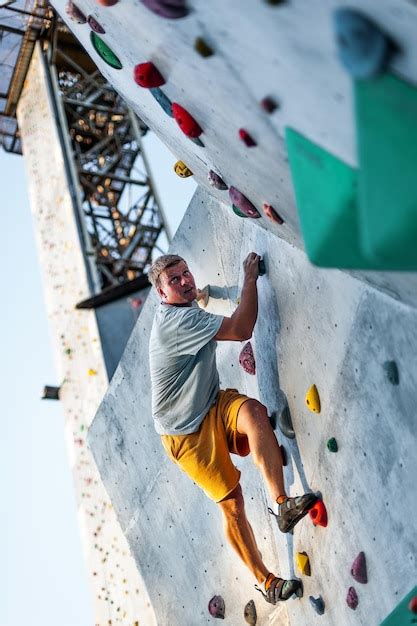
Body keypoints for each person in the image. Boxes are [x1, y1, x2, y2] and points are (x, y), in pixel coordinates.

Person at [148, 252, 317, 604]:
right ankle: (267, 582)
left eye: (185, 273)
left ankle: (283, 504)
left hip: (211, 402)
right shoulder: (177, 324)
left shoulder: (185, 310)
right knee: (233, 504)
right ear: (162, 295)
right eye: (174, 281)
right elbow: (241, 329)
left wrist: (204, 294)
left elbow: (200, 307)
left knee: (254, 412)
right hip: (184, 434)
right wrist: (249, 278)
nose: (184, 281)